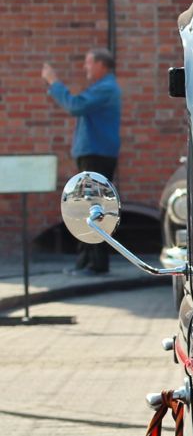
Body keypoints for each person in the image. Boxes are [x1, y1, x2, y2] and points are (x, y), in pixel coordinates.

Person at [42, 48, 122, 275]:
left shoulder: (105, 88)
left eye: (88, 63)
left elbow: (75, 105)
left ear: (101, 65)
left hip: (97, 155)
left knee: (94, 208)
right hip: (94, 154)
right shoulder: (102, 87)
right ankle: (85, 262)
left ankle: (96, 265)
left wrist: (54, 82)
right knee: (86, 207)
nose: (85, 67)